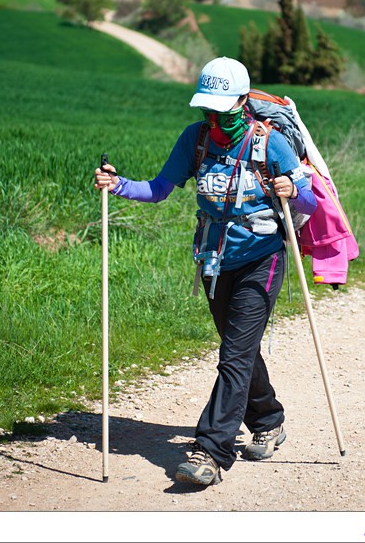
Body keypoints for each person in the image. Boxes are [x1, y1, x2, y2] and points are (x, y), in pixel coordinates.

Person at [94, 56, 317, 486]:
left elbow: (308, 202)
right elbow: (159, 189)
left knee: (232, 355)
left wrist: (292, 189)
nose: (213, 117)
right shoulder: (195, 140)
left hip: (262, 259)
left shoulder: (269, 143)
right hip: (214, 262)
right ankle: (268, 419)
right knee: (241, 350)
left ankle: (210, 452)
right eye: (207, 109)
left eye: (221, 109)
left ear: (241, 102)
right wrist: (118, 185)